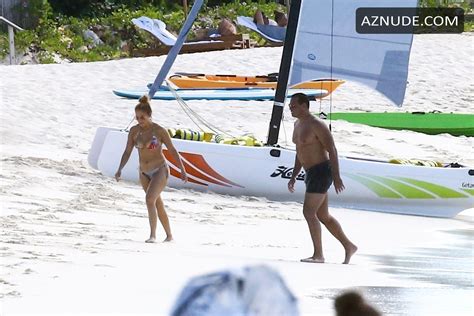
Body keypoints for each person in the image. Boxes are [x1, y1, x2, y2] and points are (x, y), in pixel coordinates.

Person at [287, 93, 357, 264]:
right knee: (323, 215)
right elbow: (300, 152)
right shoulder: (297, 124)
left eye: (294, 106)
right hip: (310, 173)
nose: (291, 109)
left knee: (309, 212)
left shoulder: (317, 125)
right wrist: (294, 175)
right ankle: (349, 246)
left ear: (304, 106)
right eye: (290, 106)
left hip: (321, 171)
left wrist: (337, 176)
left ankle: (318, 255)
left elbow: (332, 150)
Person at [115, 95, 188, 243]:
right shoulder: (134, 131)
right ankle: (169, 235)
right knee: (156, 202)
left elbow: (173, 151)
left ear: (149, 115)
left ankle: (153, 235)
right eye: (137, 117)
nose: (139, 120)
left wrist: (182, 169)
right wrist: (120, 168)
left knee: (149, 199)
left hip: (160, 170)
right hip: (143, 172)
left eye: (142, 117)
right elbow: (128, 151)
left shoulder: (160, 131)